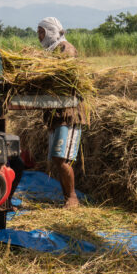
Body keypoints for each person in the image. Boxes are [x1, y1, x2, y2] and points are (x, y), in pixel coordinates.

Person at [37, 17, 83, 208]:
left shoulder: (65, 48)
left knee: (62, 158)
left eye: (42, 32)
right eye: (38, 33)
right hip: (55, 114)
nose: (39, 37)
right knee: (57, 159)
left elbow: (60, 76)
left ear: (51, 31)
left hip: (68, 113)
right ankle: (67, 198)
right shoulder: (48, 52)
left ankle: (72, 198)